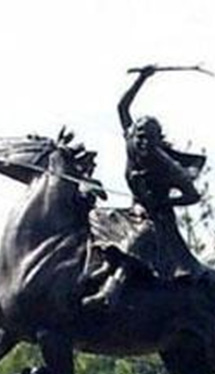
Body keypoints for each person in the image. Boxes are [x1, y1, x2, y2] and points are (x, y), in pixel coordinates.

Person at [83, 65, 207, 310]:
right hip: (135, 210)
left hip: (158, 219)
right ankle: (105, 266)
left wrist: (164, 203)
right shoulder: (131, 142)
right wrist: (142, 79)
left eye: (148, 138)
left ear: (157, 139)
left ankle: (110, 293)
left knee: (138, 238)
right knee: (96, 217)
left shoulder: (165, 164)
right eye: (139, 136)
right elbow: (122, 107)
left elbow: (193, 195)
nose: (142, 142)